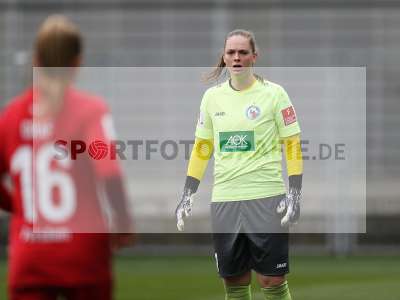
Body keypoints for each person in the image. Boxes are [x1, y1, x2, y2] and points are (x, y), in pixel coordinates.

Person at [0, 15, 134, 300]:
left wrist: (19, 206)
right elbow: (108, 171)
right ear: (77, 62)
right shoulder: (90, 110)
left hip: (30, 256)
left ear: (35, 59)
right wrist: (123, 222)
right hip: (83, 254)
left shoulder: (10, 115)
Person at [175, 29, 303, 300]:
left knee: (272, 281)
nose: (236, 57)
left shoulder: (274, 94)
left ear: (254, 57)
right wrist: (188, 193)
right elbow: (202, 148)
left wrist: (294, 192)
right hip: (226, 201)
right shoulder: (212, 98)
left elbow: (292, 143)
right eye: (231, 52)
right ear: (224, 56)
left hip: (267, 198)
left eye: (242, 52)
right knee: (235, 282)